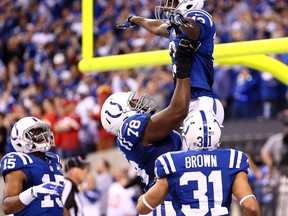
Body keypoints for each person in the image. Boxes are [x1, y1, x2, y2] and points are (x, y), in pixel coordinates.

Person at [100, 39, 195, 215]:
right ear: (119, 113)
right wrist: (183, 67)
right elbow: (178, 111)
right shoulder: (129, 129)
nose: (139, 103)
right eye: (133, 103)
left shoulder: (132, 135)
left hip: (172, 195)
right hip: (167, 200)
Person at [117, 0, 225, 125]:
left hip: (202, 100)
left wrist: (182, 20)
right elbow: (157, 27)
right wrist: (136, 19)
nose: (169, 7)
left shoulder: (200, 16)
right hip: (186, 101)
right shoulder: (176, 26)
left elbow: (194, 30)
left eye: (173, 3)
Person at [136, 110, 261, 216]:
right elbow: (251, 207)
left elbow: (144, 208)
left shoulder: (171, 162)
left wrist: (142, 199)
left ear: (187, 134)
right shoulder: (233, 159)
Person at [0, 116, 68, 215]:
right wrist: (33, 192)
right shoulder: (20, 161)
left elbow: (55, 204)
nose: (41, 136)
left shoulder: (54, 160)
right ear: (19, 140)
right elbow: (7, 207)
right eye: (34, 133)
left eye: (42, 131)